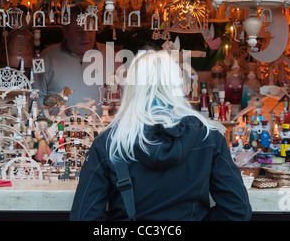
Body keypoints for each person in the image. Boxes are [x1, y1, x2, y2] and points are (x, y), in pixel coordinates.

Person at [70, 49, 252, 221]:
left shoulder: (110, 143)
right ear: (178, 86)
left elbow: (83, 216)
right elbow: (237, 211)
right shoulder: (208, 137)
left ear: (132, 88)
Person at [33, 3, 118, 114]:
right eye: (79, 30)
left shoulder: (110, 54)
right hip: (60, 128)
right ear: (65, 33)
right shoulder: (47, 56)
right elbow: (35, 95)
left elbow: (124, 93)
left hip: (103, 127)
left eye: (90, 29)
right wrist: (49, 114)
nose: (86, 36)